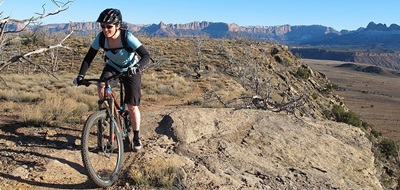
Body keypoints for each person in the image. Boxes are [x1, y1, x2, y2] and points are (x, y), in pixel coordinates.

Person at [73, 8, 150, 152]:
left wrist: (137, 67)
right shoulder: (101, 38)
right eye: (103, 26)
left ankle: (136, 136)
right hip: (113, 67)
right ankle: (111, 115)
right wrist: (81, 76)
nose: (105, 29)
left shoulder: (127, 37)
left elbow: (146, 56)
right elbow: (89, 57)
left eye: (109, 26)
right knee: (101, 87)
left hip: (131, 69)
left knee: (132, 106)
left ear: (118, 26)